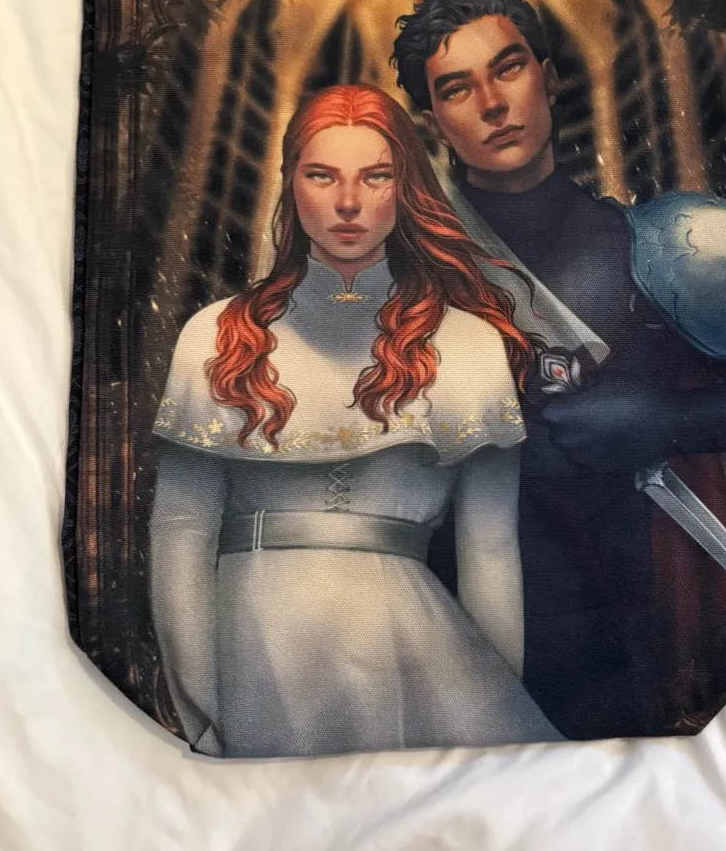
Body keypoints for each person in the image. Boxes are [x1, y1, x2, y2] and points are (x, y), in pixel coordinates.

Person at [391, 0, 726, 737]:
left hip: (632, 633)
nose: (493, 104)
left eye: (508, 68)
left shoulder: (670, 242)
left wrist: (670, 419)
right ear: (431, 119)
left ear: (547, 76)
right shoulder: (393, 272)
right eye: (457, 88)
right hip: (443, 631)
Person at [148, 83, 562, 759]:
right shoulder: (215, 334)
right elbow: (180, 535)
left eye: (374, 177)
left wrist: (498, 709)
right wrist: (201, 712)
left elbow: (489, 549)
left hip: (415, 650)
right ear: (290, 183)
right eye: (322, 175)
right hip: (254, 650)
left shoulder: (469, 343)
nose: (348, 202)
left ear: (407, 187)